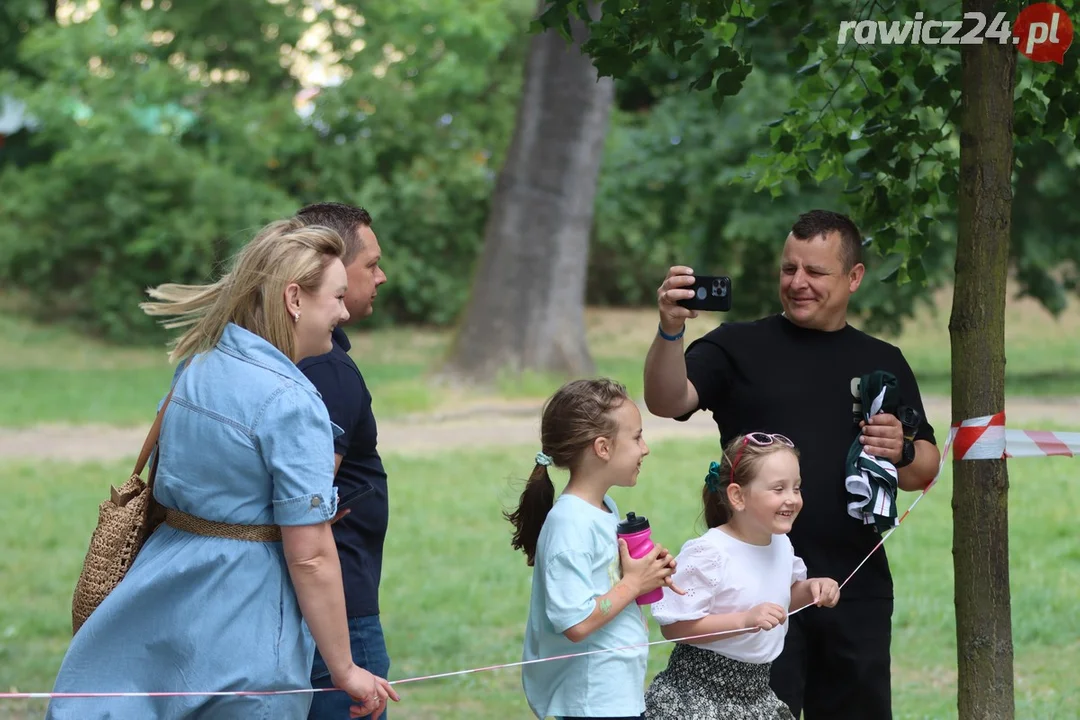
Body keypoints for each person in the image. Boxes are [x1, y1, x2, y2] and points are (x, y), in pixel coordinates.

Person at [47, 219, 398, 720]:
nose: (344, 312)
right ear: (295, 299)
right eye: (337, 298)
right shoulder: (294, 401)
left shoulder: (198, 365)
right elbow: (312, 555)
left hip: (161, 595)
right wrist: (344, 671)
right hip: (244, 619)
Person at [642, 209, 941, 719]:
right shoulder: (737, 345)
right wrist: (671, 330)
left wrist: (903, 450)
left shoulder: (884, 359)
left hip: (854, 585)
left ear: (854, 277)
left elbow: (925, 470)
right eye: (788, 269)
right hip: (750, 591)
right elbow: (667, 400)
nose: (798, 283)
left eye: (815, 272)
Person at [506, 378, 681, 720]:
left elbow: (607, 580)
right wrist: (633, 584)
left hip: (615, 692)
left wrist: (648, 570)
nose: (644, 448)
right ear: (602, 448)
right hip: (592, 701)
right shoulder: (568, 524)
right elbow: (576, 623)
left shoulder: (604, 507)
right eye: (636, 437)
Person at [644, 432, 840, 720]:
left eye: (796, 488)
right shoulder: (710, 553)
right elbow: (674, 628)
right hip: (698, 693)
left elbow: (781, 601)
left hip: (756, 693)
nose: (792, 499)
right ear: (738, 496)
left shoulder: (780, 544)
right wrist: (744, 620)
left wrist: (813, 589)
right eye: (778, 489)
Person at [291, 202, 391, 720]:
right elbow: (309, 505)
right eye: (369, 265)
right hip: (338, 614)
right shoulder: (328, 371)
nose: (381, 276)